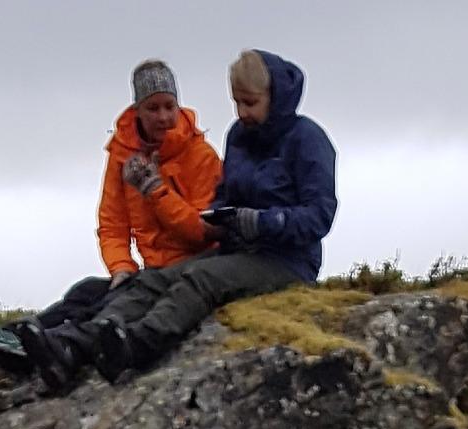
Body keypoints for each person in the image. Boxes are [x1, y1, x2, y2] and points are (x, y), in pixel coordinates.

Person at [18, 48, 337, 385]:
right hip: (238, 249)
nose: (242, 112)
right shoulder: (239, 136)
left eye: (251, 103)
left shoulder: (308, 140)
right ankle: (73, 346)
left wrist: (263, 222)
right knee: (153, 281)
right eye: (237, 103)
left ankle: (136, 345)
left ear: (275, 96)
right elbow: (225, 193)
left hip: (287, 260)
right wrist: (220, 215)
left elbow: (319, 215)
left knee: (202, 279)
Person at [0, 59, 222, 373]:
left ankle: (50, 345)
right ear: (137, 109)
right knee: (86, 291)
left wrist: (155, 191)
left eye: (169, 106)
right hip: (150, 269)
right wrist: (121, 267)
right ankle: (15, 337)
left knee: (109, 304)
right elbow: (112, 223)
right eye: (153, 108)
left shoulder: (201, 156)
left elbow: (201, 232)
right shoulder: (123, 155)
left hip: (189, 266)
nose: (163, 117)